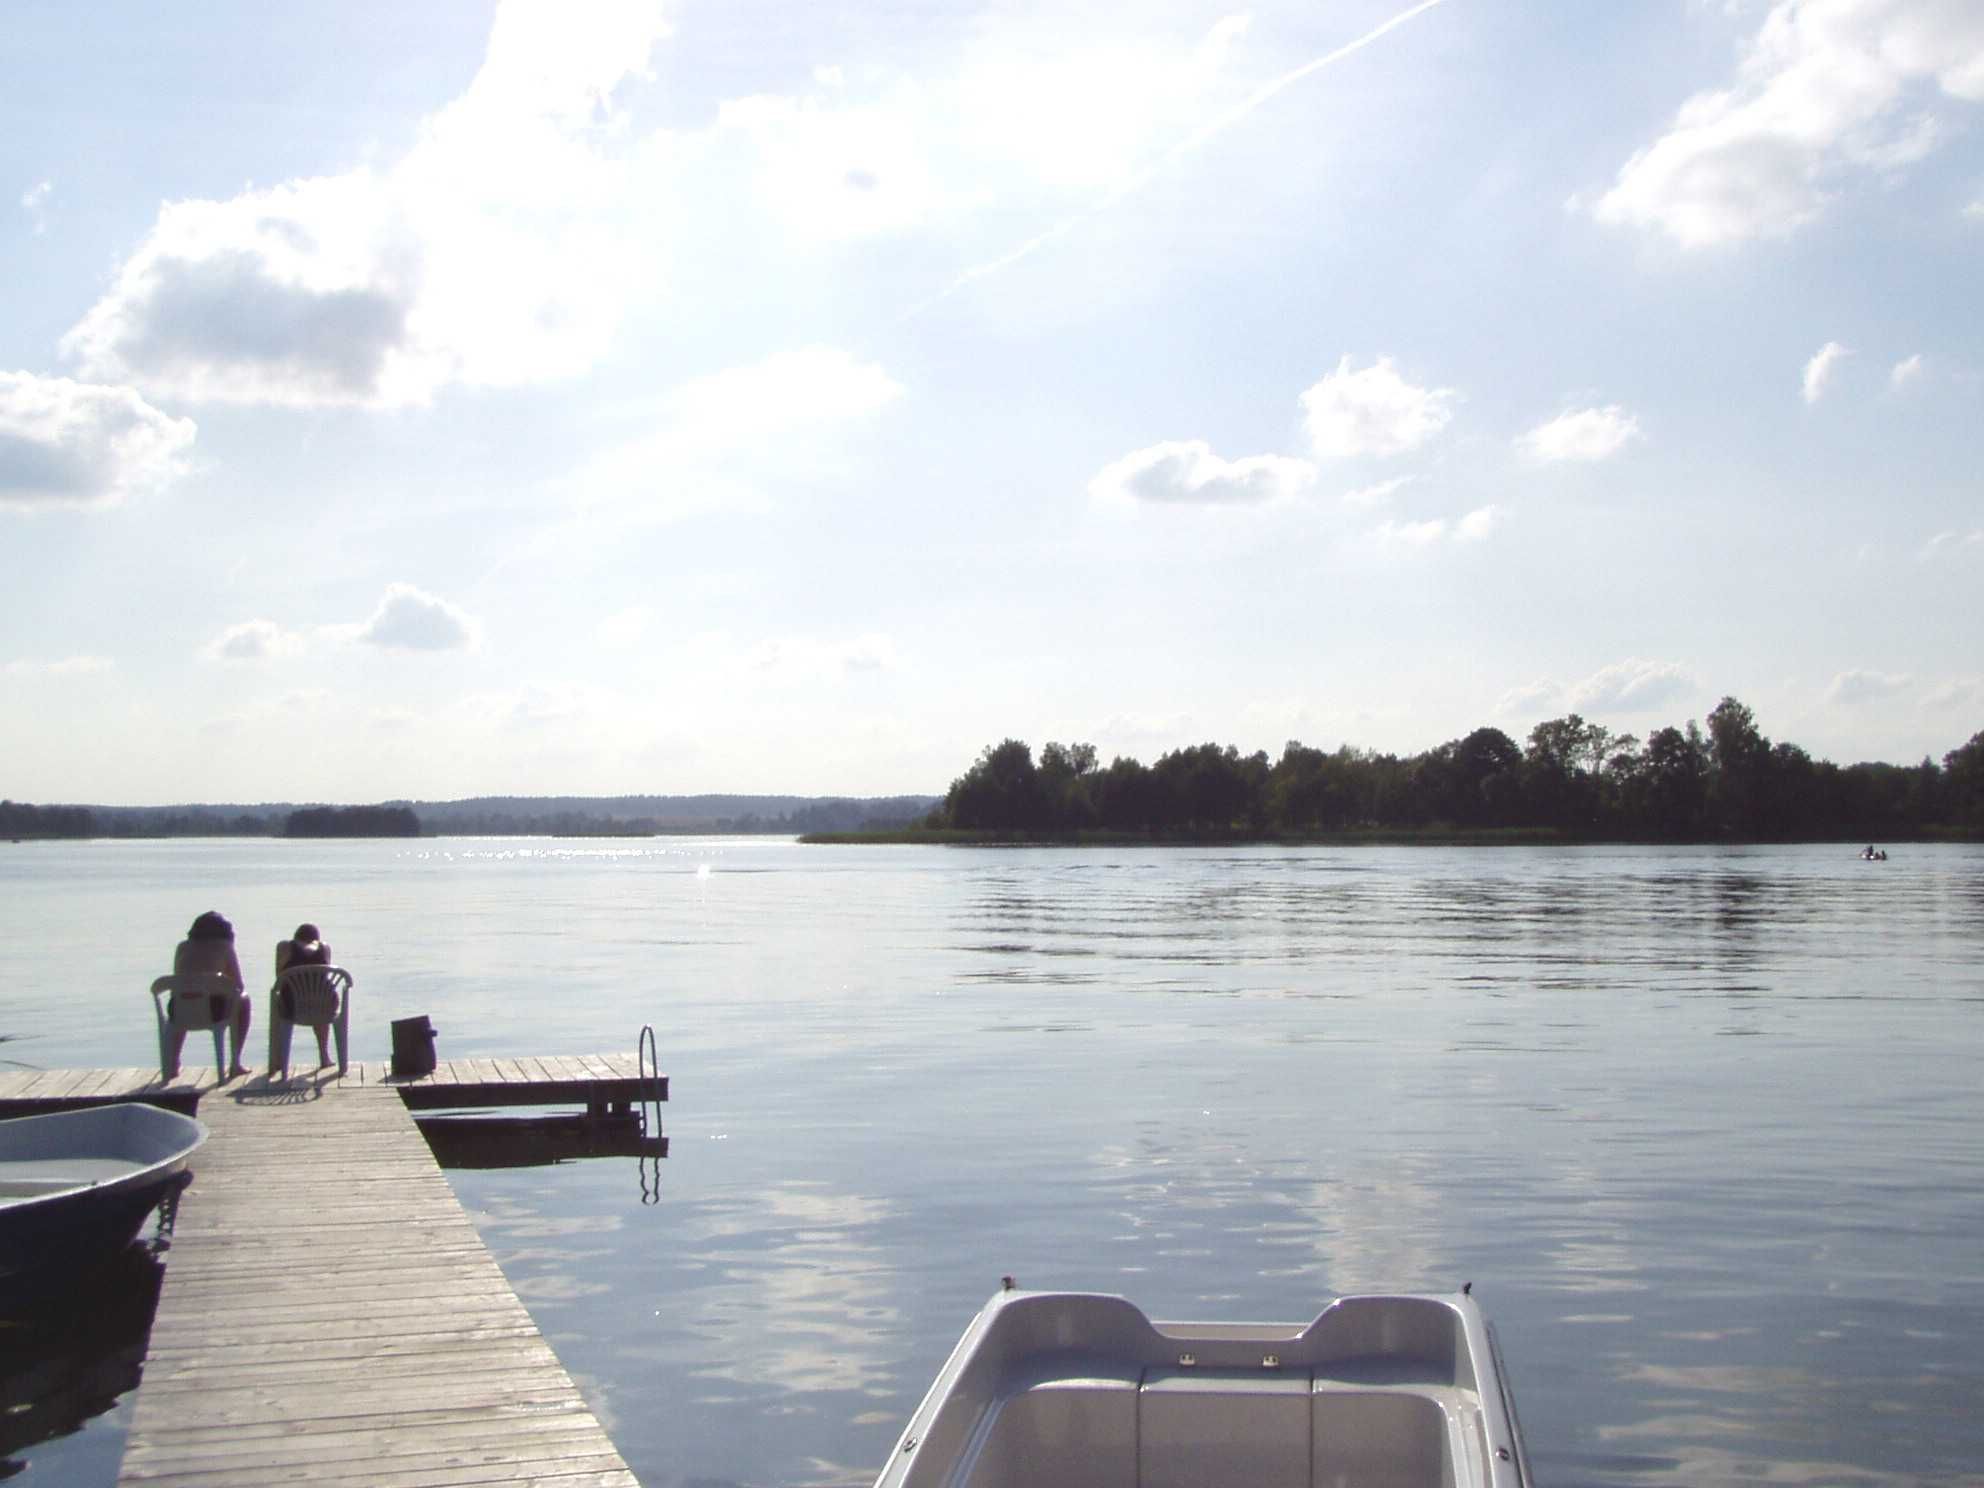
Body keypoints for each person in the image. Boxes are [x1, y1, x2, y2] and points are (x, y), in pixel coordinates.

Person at [172, 910, 250, 1078]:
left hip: (178, 1010)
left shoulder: (182, 947)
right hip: (211, 1011)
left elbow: (179, 978)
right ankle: (235, 1062)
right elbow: (238, 985)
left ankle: (173, 1062)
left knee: (183, 1001)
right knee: (244, 1001)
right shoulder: (225, 947)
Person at [274, 923, 335, 1066]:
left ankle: (279, 1059)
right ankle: (324, 1055)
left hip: (293, 1005)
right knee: (320, 996)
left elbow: (279, 977)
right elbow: (324, 975)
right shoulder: (325, 948)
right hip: (323, 1005)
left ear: (296, 937)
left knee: (276, 999)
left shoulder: (284, 947)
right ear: (317, 939)